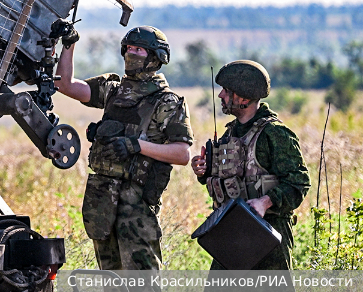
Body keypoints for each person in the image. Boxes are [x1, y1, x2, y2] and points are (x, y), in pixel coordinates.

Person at [53, 20, 193, 270]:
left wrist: (136, 146)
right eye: (128, 47)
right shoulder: (114, 91)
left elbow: (182, 153)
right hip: (102, 201)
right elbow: (66, 85)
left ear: (156, 57)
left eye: (139, 49)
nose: (131, 53)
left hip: (137, 205)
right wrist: (69, 44)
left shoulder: (167, 101)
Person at [191, 60, 310, 270]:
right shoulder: (230, 133)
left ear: (243, 98)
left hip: (267, 237)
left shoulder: (274, 134)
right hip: (230, 234)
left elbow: (299, 183)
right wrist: (204, 171)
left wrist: (264, 203)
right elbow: (231, 180)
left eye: (226, 91)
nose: (220, 96)